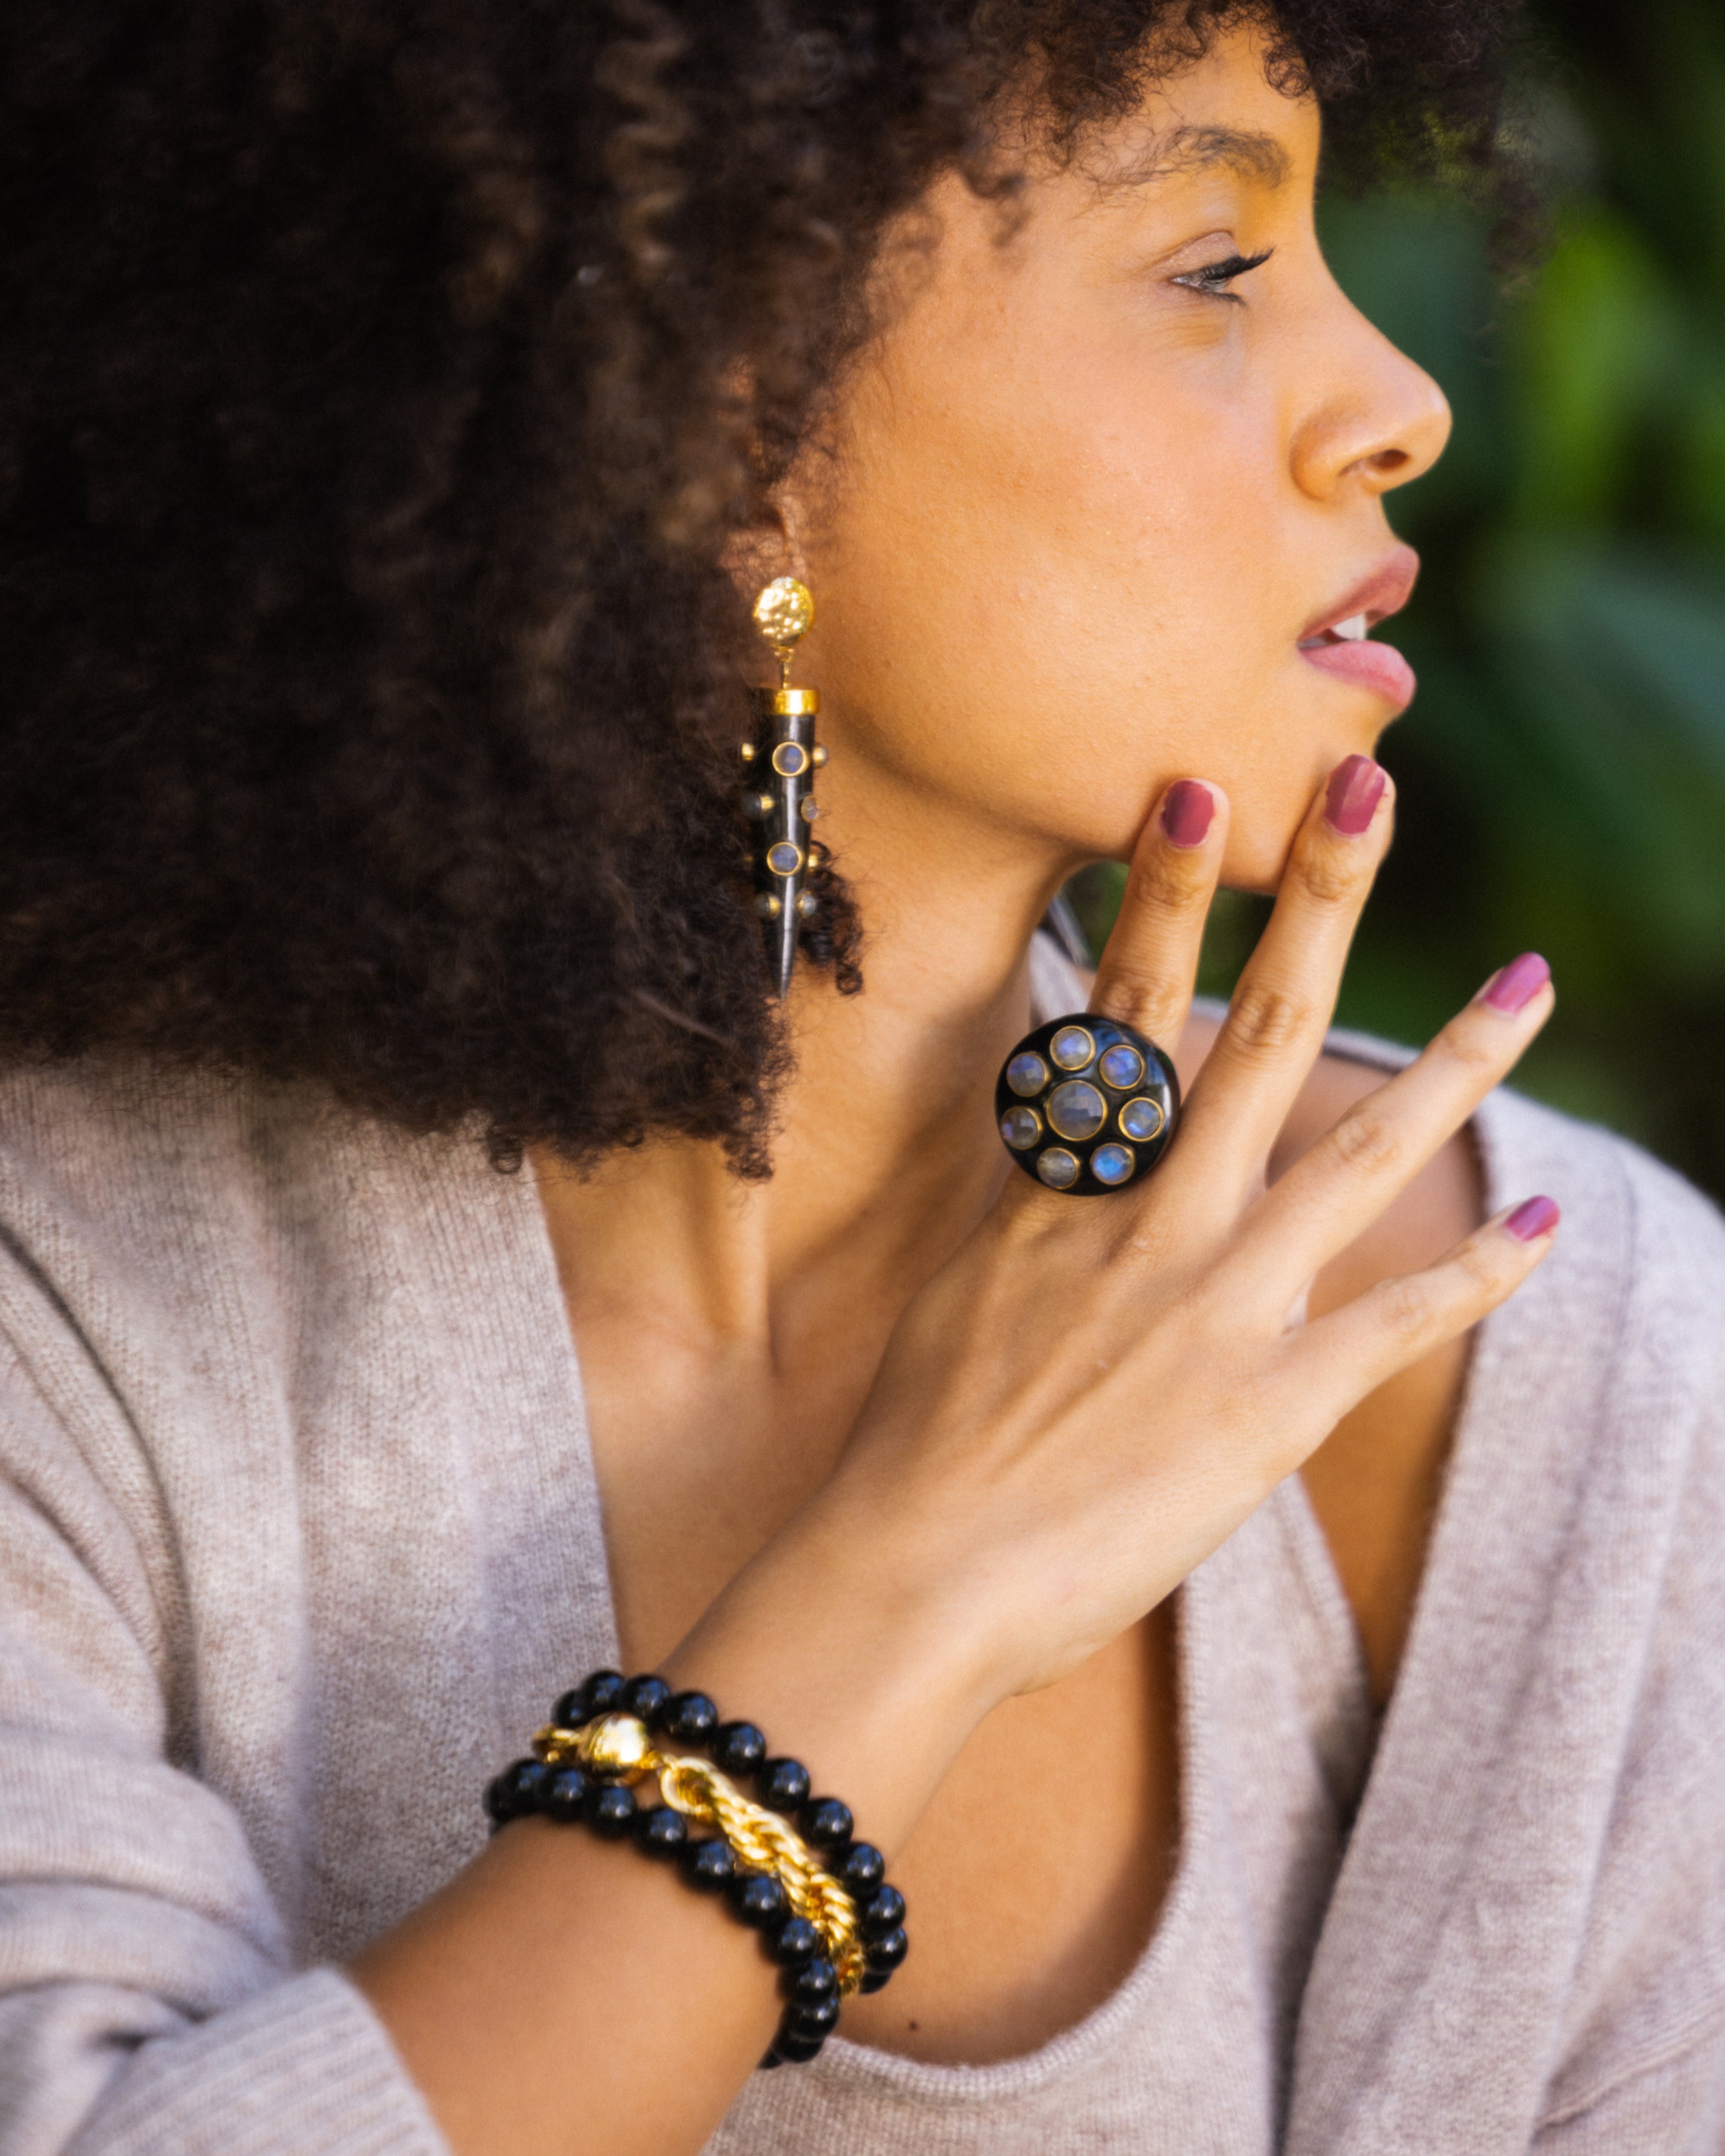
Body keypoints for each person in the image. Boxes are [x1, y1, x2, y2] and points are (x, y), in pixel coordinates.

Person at [2, 3, 1723, 2152]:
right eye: (1214, 265)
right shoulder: (59, 1304)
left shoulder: (1565, 1374)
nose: (1399, 400)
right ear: (718, 421)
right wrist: (914, 1580)